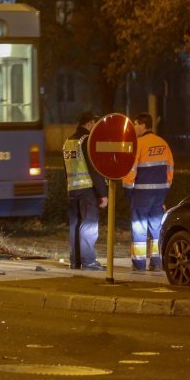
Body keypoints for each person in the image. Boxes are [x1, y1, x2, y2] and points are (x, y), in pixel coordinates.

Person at [123, 112, 174, 271]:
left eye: (135, 124)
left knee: (139, 228)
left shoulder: (138, 144)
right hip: (159, 194)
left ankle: (139, 264)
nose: (134, 128)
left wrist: (128, 191)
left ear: (143, 126)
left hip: (140, 194)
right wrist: (164, 191)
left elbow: (130, 170)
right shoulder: (163, 144)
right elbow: (170, 170)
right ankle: (156, 262)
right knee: (156, 228)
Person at [62, 111, 108, 270]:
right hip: (87, 190)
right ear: (89, 123)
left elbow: (65, 169)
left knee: (75, 226)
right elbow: (94, 169)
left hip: (72, 189)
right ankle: (88, 262)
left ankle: (75, 262)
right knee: (89, 225)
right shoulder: (87, 140)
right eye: (94, 124)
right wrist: (103, 193)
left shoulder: (68, 141)